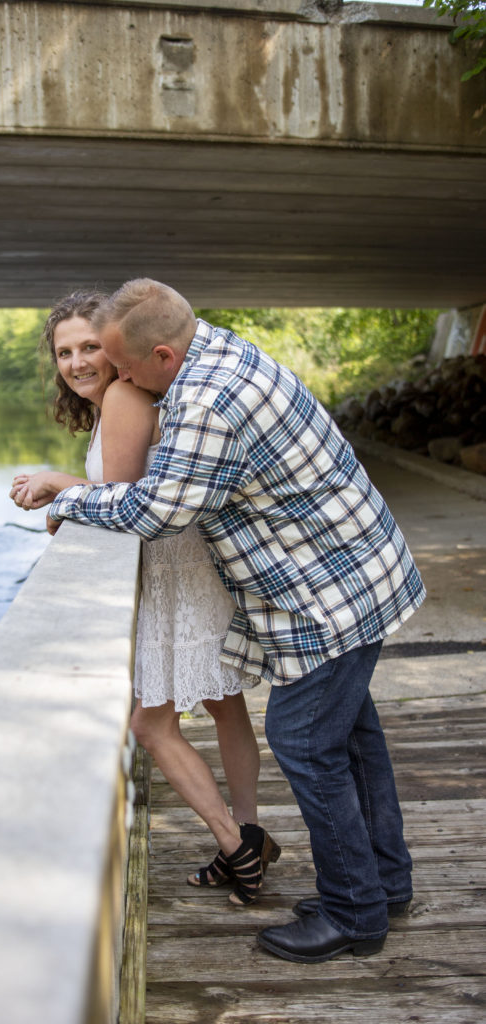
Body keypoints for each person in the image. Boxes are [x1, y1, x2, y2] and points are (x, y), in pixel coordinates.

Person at [40, 278, 426, 964]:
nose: (120, 380)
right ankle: (382, 885)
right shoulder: (218, 349)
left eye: (125, 367)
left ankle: (354, 913)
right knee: (353, 739)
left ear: (161, 353)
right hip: (358, 573)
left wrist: (70, 502)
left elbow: (156, 510)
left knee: (303, 739)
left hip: (327, 593)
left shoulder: (207, 400)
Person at [10, 290, 281, 907]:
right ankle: (252, 834)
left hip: (171, 572)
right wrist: (71, 498)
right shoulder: (124, 397)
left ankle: (235, 843)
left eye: (88, 348)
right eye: (64, 352)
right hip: (187, 563)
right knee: (225, 705)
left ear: (112, 349)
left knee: (150, 725)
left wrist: (58, 487)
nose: (78, 362)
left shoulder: (126, 396)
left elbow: (125, 497)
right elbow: (127, 489)